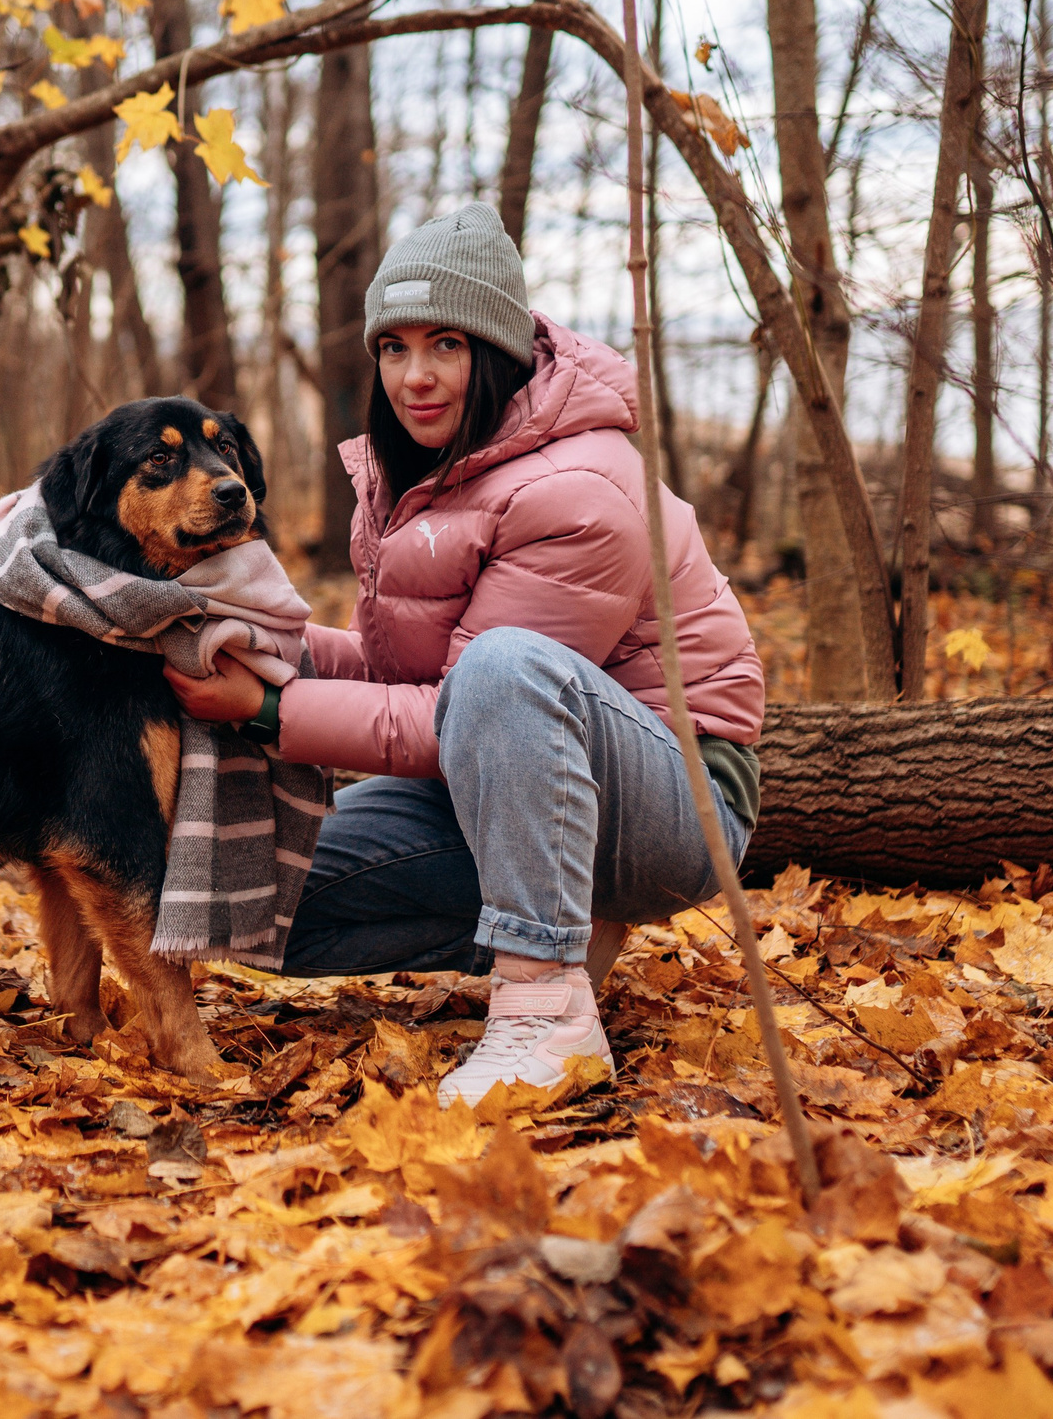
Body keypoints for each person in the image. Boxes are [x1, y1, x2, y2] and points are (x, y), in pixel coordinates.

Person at [165, 202, 764, 1106]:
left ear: (501, 349)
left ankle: (543, 1011)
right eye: (394, 347)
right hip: (496, 779)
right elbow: (429, 683)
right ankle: (554, 921)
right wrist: (267, 647)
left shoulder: (581, 487)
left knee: (506, 669)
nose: (417, 376)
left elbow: (479, 699)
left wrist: (270, 711)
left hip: (672, 803)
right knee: (251, 909)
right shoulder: (422, 473)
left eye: (447, 343)